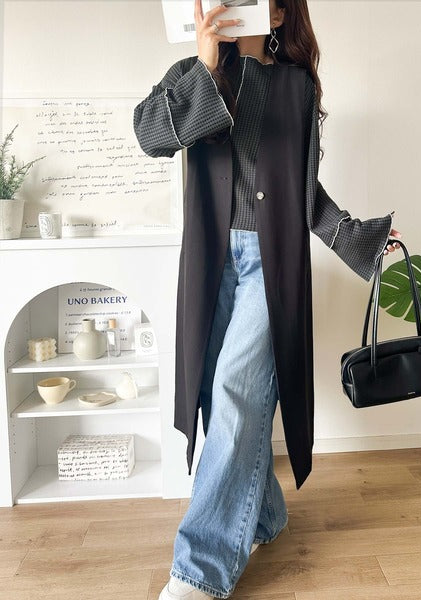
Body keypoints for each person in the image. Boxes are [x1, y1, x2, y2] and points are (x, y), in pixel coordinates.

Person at [134, 1, 402, 598]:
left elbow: (305, 192)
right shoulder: (193, 72)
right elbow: (148, 134)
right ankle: (264, 516)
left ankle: (198, 571)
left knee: (236, 392)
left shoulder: (296, 87)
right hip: (211, 262)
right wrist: (205, 67)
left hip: (270, 263)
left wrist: (358, 237)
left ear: (277, 16)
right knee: (217, 395)